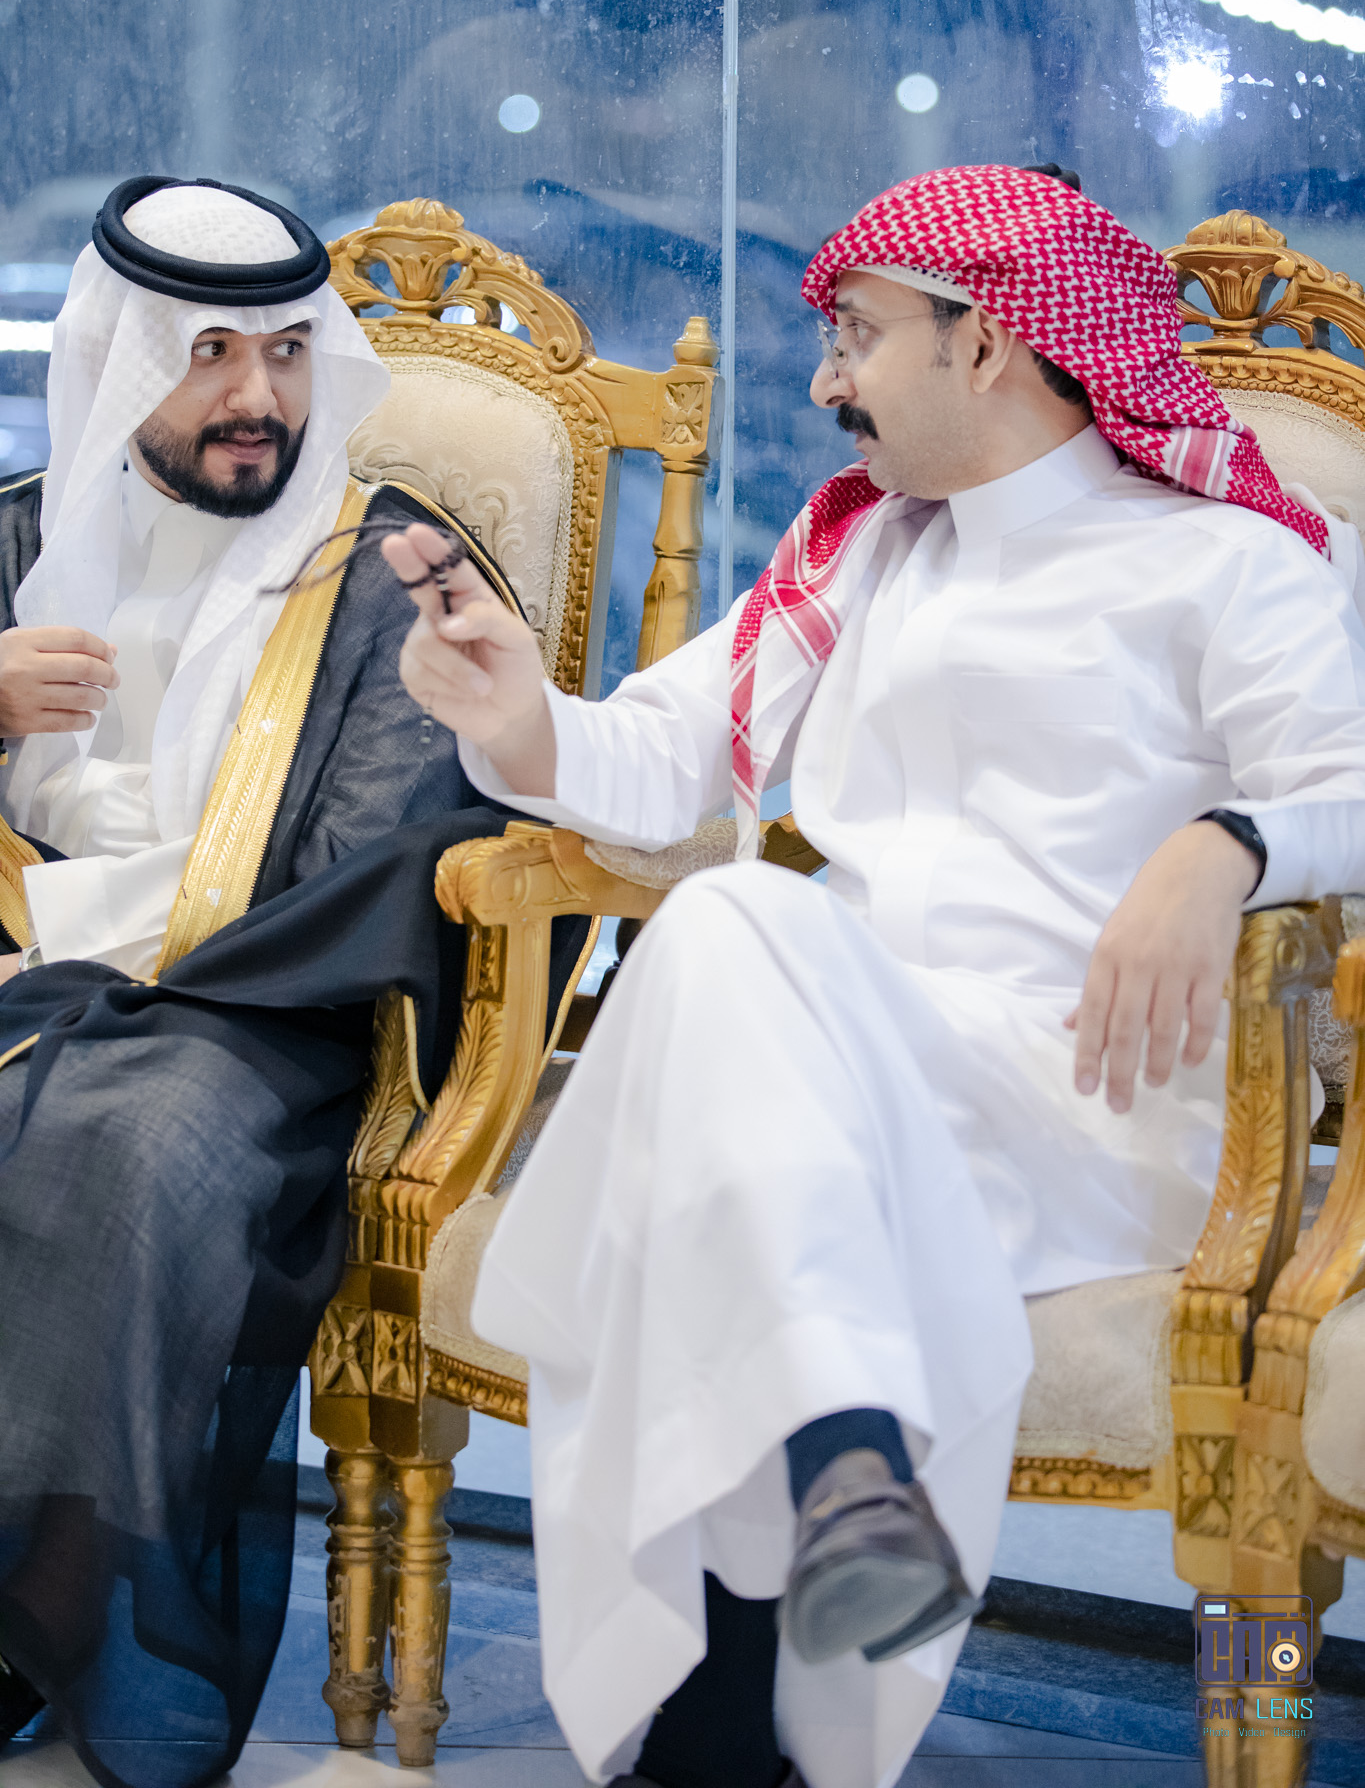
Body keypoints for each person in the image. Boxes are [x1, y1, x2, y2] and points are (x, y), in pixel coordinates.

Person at [383, 162, 1365, 1788]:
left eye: (854, 334)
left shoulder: (1230, 561)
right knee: (731, 938)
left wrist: (1223, 844)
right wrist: (509, 712)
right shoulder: (857, 555)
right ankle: (838, 1494)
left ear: (984, 341)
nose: (826, 380)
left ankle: (730, 1689)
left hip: (1076, 1100)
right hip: (831, 1075)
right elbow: (653, 761)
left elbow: (1351, 786)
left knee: (723, 964)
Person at [0, 177, 588, 1788]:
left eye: (282, 352)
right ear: (125, 361)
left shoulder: (389, 569)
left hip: (253, 1017)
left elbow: (368, 867)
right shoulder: (18, 537)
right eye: (208, 357)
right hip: (29, 987)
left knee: (123, 1149)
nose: (257, 396)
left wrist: (81, 939)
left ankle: (53, 1626)